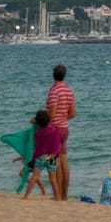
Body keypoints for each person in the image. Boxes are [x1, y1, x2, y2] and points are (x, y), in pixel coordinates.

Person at [43, 64, 76, 200]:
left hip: (54, 130)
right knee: (63, 160)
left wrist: (39, 120)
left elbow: (51, 114)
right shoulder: (68, 91)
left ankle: (58, 194)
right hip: (64, 128)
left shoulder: (54, 91)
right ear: (64, 75)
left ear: (53, 75)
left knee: (55, 163)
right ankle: (64, 195)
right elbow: (73, 113)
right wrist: (63, 118)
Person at [22, 110, 62, 198]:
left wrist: (33, 159)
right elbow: (57, 145)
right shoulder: (55, 131)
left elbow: (37, 149)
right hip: (52, 157)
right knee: (53, 179)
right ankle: (58, 197)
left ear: (38, 122)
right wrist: (54, 154)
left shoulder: (38, 134)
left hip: (41, 157)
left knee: (35, 177)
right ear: (48, 120)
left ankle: (26, 196)